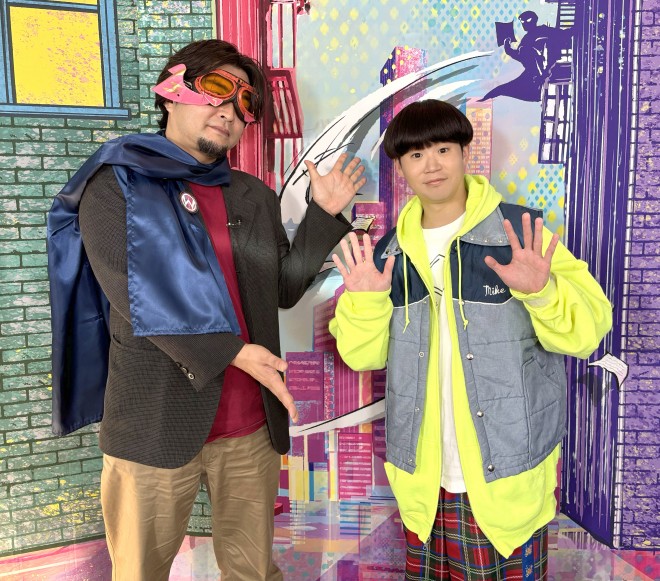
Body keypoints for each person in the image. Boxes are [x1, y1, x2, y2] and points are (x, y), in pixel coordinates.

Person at [47, 39, 365, 580]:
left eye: (245, 103)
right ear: (171, 91)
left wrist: (324, 214)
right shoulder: (116, 182)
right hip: (152, 421)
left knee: (252, 572)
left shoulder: (251, 195)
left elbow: (282, 288)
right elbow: (132, 290)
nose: (230, 110)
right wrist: (233, 352)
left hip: (248, 427)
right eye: (217, 87)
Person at [329, 99, 611, 579]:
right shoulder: (388, 253)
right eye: (416, 154)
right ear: (400, 167)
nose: (431, 165)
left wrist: (542, 291)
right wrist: (367, 301)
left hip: (506, 478)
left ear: (464, 152)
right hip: (425, 484)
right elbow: (362, 355)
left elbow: (588, 332)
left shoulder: (519, 233)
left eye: (443, 149)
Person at [481, 10, 571, 102]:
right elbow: (521, 57)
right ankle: (483, 99)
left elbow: (562, 34)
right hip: (535, 74)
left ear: (534, 20)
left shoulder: (543, 30)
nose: (524, 24)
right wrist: (508, 49)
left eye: (527, 20)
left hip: (546, 68)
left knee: (503, 89)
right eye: (522, 21)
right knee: (501, 89)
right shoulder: (526, 40)